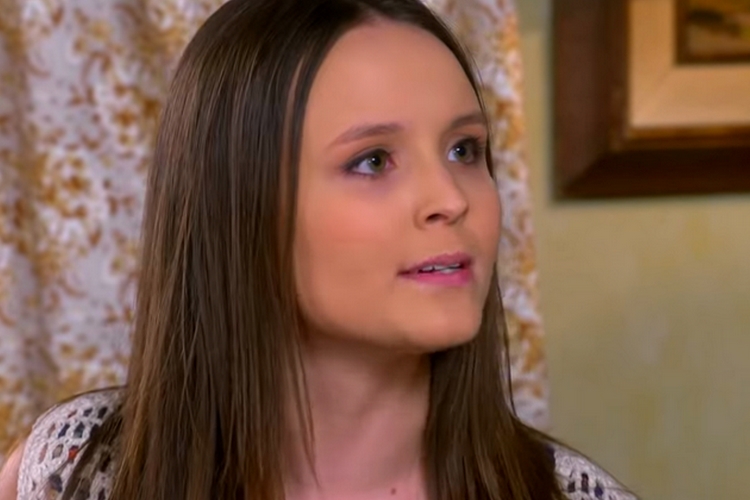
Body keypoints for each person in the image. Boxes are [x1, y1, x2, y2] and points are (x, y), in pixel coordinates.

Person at [0, 0, 638, 498]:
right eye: (373, 160)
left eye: (463, 149)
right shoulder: (73, 474)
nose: (450, 198)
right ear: (239, 203)